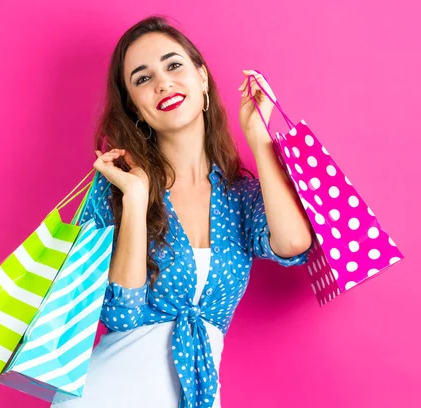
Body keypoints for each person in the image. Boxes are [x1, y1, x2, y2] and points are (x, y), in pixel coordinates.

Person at [52, 14, 313, 408]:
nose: (162, 83)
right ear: (136, 108)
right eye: (142, 78)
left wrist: (258, 138)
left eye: (173, 65)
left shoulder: (242, 195)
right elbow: (121, 315)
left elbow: (293, 243)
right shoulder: (117, 187)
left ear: (202, 79)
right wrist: (137, 201)